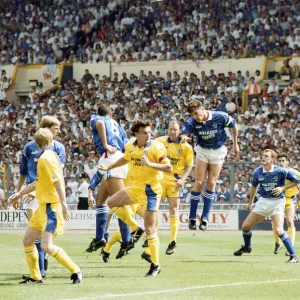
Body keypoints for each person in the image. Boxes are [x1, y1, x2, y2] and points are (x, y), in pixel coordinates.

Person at [8, 128, 82, 284]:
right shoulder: (50, 156)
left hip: (51, 208)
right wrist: (19, 194)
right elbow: (40, 181)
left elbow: (57, 181)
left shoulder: (46, 159)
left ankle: (76, 270)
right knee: (28, 240)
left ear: (36, 142)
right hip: (43, 207)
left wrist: (63, 203)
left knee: (47, 246)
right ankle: (36, 276)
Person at [99, 120, 172, 277]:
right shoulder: (130, 146)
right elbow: (126, 158)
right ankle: (134, 228)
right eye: (144, 133)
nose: (148, 135)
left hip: (151, 191)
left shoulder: (156, 147)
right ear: (136, 134)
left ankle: (155, 265)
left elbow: (168, 167)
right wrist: (108, 167)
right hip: (136, 188)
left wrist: (151, 164)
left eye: (149, 132)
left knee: (151, 229)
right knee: (111, 203)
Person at [86, 104, 143, 255]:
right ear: (111, 113)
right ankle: (100, 238)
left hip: (112, 156)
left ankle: (128, 238)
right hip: (117, 158)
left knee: (118, 203)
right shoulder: (118, 125)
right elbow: (125, 144)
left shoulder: (98, 119)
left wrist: (105, 144)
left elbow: (99, 123)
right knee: (100, 201)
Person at [15, 116, 66, 279]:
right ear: (47, 128)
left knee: (43, 236)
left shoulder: (59, 148)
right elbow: (23, 172)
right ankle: (40, 271)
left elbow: (58, 174)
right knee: (33, 232)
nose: (59, 131)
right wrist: (18, 194)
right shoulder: (29, 147)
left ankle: (42, 263)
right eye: (56, 127)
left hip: (47, 193)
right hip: (30, 193)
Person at [181, 100, 239, 231]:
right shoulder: (192, 121)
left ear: (202, 109)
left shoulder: (220, 116)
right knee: (199, 181)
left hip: (218, 151)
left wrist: (235, 143)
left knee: (212, 183)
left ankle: (205, 218)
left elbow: (233, 125)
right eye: (193, 114)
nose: (196, 116)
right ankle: (192, 217)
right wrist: (184, 137)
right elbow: (184, 133)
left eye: (197, 113)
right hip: (202, 150)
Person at [234, 149, 300, 263]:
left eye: (266, 156)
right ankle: (247, 247)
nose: (262, 158)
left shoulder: (281, 171)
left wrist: (282, 188)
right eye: (262, 156)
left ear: (272, 159)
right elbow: (254, 187)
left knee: (279, 230)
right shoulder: (257, 172)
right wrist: (250, 203)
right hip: (263, 201)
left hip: (277, 202)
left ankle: (293, 256)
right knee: (245, 227)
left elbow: (296, 181)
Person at [155, 120, 194, 255]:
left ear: (179, 131)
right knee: (154, 208)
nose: (173, 132)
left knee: (174, 209)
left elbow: (189, 164)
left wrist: (183, 179)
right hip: (160, 179)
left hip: (175, 181)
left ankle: (172, 241)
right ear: (167, 130)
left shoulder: (186, 146)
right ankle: (151, 235)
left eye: (175, 130)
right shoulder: (159, 141)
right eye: (171, 129)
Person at [272, 153, 300, 255]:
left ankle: (290, 247)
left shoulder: (295, 173)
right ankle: (278, 243)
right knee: (276, 224)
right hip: (277, 200)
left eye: (283, 161)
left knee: (289, 221)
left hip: (289, 200)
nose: (281, 163)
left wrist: (298, 201)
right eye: (279, 161)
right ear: (276, 162)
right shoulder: (272, 172)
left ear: (287, 162)